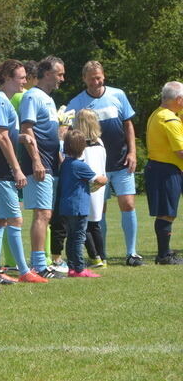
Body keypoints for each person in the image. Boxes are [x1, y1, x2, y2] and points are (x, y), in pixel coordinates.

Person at [67, 61, 143, 266]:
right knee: (99, 210)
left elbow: (128, 125)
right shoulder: (76, 103)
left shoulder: (118, 95)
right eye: (92, 78)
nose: (96, 81)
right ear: (84, 79)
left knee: (127, 204)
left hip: (121, 161)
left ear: (104, 76)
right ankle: (102, 254)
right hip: (94, 167)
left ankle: (132, 253)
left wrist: (133, 153)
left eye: (99, 77)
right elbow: (66, 131)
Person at [0, 60, 46, 284]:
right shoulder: (1, 101)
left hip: (3, 169)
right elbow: (1, 137)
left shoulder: (4, 101)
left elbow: (6, 134)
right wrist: (17, 168)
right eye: (21, 77)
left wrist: (20, 137)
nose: (24, 81)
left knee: (1, 220)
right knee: (15, 219)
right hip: (2, 170)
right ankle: (23, 270)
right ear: (8, 78)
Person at [20, 56, 66, 279]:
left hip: (51, 164)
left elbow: (51, 135)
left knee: (47, 213)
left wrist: (59, 157)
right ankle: (38, 264)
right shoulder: (32, 96)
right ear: (47, 73)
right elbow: (27, 130)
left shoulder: (48, 99)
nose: (62, 79)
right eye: (60, 74)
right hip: (39, 166)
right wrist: (36, 160)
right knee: (42, 213)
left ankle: (43, 261)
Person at [57, 129, 107, 277]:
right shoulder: (80, 166)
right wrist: (105, 178)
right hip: (79, 208)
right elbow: (98, 180)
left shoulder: (66, 163)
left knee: (71, 237)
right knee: (79, 238)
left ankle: (72, 267)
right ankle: (79, 268)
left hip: (66, 207)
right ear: (81, 147)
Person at [144, 81, 183, 265]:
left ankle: (164, 253)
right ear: (179, 99)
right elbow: (180, 152)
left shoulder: (156, 114)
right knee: (167, 213)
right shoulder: (170, 119)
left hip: (158, 167)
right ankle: (164, 255)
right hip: (167, 169)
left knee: (166, 212)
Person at [73, 109, 108, 267]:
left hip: (86, 186)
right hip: (100, 186)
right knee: (95, 224)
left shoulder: (80, 145)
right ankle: (102, 256)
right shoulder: (99, 142)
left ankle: (94, 257)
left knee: (83, 224)